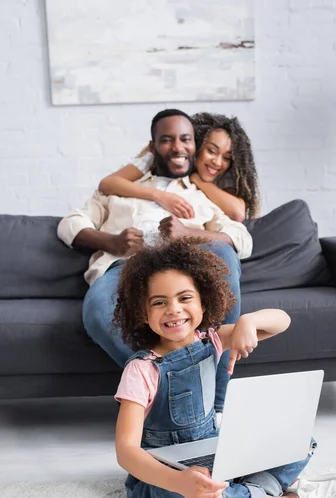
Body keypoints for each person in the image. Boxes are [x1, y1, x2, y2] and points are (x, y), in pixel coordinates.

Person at [114, 238, 336, 498]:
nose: (174, 309)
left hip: (217, 455)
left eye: (184, 298)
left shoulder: (214, 339)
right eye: (159, 302)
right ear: (141, 312)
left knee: (300, 441)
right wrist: (179, 482)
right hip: (162, 477)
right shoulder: (142, 370)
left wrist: (249, 321)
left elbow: (282, 321)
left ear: (204, 302)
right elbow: (126, 451)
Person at [57, 108, 252, 412]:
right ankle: (168, 384)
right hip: (124, 266)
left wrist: (188, 233)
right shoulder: (118, 193)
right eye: (167, 140)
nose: (177, 147)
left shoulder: (200, 195)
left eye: (185, 140)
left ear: (193, 145)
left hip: (183, 269)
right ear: (153, 146)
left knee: (224, 253)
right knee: (96, 310)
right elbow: (71, 222)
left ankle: (216, 405)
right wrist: (112, 241)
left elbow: (241, 237)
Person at [98, 112, 259, 222]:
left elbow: (237, 213)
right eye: (211, 151)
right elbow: (108, 183)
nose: (217, 162)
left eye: (226, 157)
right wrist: (159, 196)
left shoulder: (227, 175)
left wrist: (199, 181)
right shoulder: (160, 158)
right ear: (196, 144)